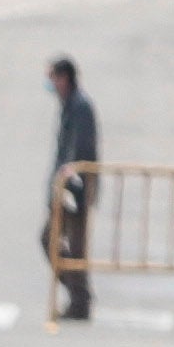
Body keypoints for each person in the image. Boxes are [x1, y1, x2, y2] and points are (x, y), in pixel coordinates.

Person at [50, 57, 100, 320]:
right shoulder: (69, 104)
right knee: (50, 238)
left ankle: (80, 301)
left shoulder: (80, 106)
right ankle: (78, 295)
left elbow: (81, 150)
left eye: (53, 78)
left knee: (75, 247)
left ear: (64, 77)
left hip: (76, 189)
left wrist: (70, 183)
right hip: (65, 189)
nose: (51, 84)